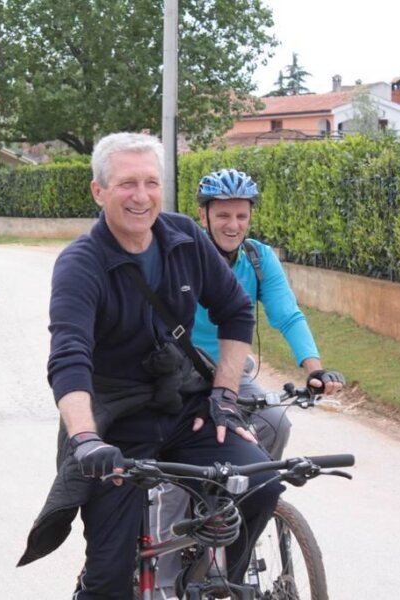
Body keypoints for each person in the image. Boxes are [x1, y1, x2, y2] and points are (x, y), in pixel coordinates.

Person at [17, 133, 282, 598]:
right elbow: (69, 356)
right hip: (115, 424)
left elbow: (236, 310)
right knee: (109, 579)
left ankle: (220, 582)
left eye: (151, 183)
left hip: (183, 407)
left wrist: (223, 396)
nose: (141, 196)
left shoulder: (185, 238)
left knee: (261, 481)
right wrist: (85, 439)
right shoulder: (81, 263)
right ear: (99, 191)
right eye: (127, 184)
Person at [148, 168, 347, 598]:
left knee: (275, 422)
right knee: (174, 478)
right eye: (223, 215)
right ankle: (164, 577)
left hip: (233, 372)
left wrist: (314, 368)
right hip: (181, 377)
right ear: (204, 215)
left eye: (241, 215)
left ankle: (238, 514)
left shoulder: (258, 258)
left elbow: (287, 314)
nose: (233, 225)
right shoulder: (184, 255)